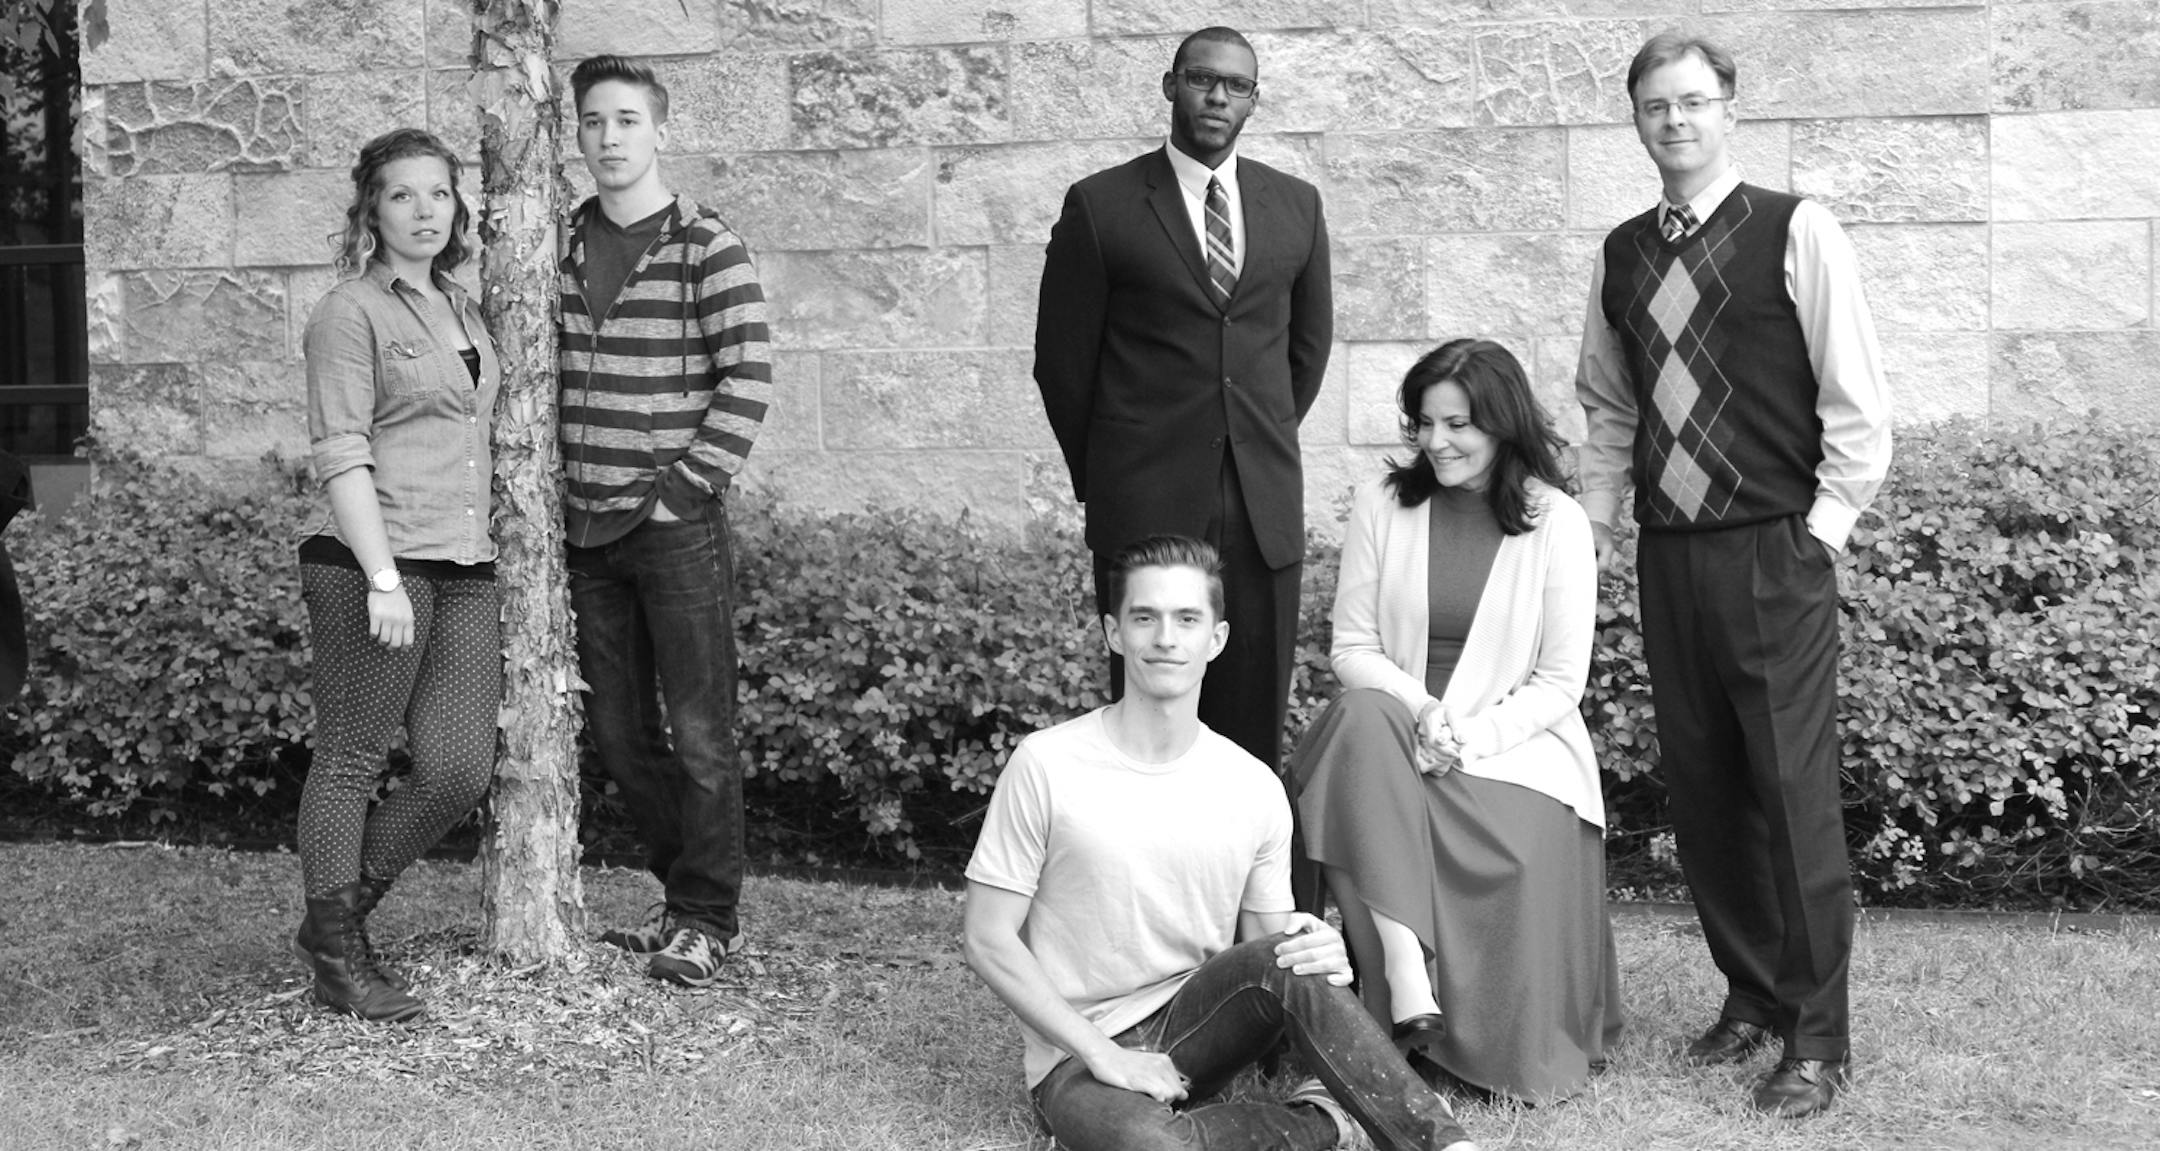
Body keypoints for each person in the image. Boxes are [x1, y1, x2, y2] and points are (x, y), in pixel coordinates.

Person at [1574, 31, 1892, 1118]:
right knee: (1707, 786)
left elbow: (1856, 401)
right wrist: (1602, 529)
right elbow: (1609, 403)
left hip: (1773, 548)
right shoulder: (1621, 253)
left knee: (1792, 793)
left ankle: (1818, 1035)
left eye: (1695, 101)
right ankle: (1752, 995)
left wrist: (1822, 531)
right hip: (1670, 553)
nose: (1675, 120)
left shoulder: (1794, 230)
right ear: (1637, 118)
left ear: (1730, 109)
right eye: (1656, 104)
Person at [963, 535, 1478, 1151]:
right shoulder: (1046, 764)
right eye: (1144, 618)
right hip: (1078, 1051)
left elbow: (1269, 950)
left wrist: (1319, 955)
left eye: (1187, 619)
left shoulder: (1251, 785)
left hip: (1199, 1019)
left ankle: (1441, 1142)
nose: (1165, 638)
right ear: (1113, 633)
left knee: (1292, 955)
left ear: (1217, 638)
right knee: (1151, 1145)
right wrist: (1103, 1053)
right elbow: (988, 938)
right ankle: (1329, 1122)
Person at [1291, 339, 1623, 1103]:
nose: (1437, 442)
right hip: (1394, 726)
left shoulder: (1558, 523)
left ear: (1503, 425)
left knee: (1357, 753)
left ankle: (1410, 1002)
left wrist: (1466, 736)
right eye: (1425, 423)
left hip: (1517, 748)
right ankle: (1403, 972)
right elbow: (1353, 647)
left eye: (1458, 424)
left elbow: (1559, 683)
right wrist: (1426, 712)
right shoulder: (1386, 503)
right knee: (1360, 718)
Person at [1032, 26, 1333, 803]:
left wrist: (1248, 437)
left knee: (1254, 719)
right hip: (1146, 499)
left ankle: (1246, 906)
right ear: (1171, 86)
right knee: (1151, 710)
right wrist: (1110, 473)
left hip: (1260, 502)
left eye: (1236, 86)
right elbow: (1063, 365)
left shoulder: (1295, 206)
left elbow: (1307, 350)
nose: (1218, 97)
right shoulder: (1101, 206)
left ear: (1254, 100)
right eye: (1202, 80)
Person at [558, 55, 772, 988]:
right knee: (616, 735)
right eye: (595, 121)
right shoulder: (557, 243)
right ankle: (684, 892)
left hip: (675, 528)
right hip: (584, 527)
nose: (610, 138)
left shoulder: (703, 245)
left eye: (628, 121)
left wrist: (684, 487)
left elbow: (749, 377)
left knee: (700, 731)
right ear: (577, 133)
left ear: (659, 130)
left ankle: (704, 917)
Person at [293, 127, 504, 1023]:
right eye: (402, 195)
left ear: (457, 207)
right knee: (350, 758)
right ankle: (339, 956)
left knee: (459, 769)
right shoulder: (349, 311)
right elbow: (342, 449)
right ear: (370, 209)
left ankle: (333, 920)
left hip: (463, 563)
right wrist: (380, 574)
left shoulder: (463, 305)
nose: (424, 210)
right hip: (375, 565)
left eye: (439, 194)